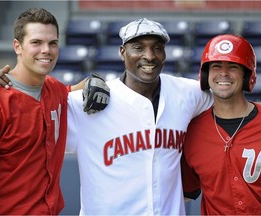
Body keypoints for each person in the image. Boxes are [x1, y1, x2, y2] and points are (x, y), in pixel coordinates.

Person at [66, 18, 213, 215]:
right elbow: (32, 113)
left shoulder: (189, 93)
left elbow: (232, 108)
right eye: (138, 47)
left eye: (157, 48)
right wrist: (11, 85)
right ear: (122, 52)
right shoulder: (85, 103)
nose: (149, 56)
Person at [0, 8, 109, 215]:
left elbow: (76, 90)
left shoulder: (55, 89)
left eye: (53, 43)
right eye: (36, 42)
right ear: (17, 46)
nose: (46, 50)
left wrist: (97, 81)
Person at [181, 34, 261, 215]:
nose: (224, 73)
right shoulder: (192, 131)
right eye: (216, 66)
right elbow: (185, 192)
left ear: (246, 75)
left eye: (233, 66)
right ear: (206, 74)